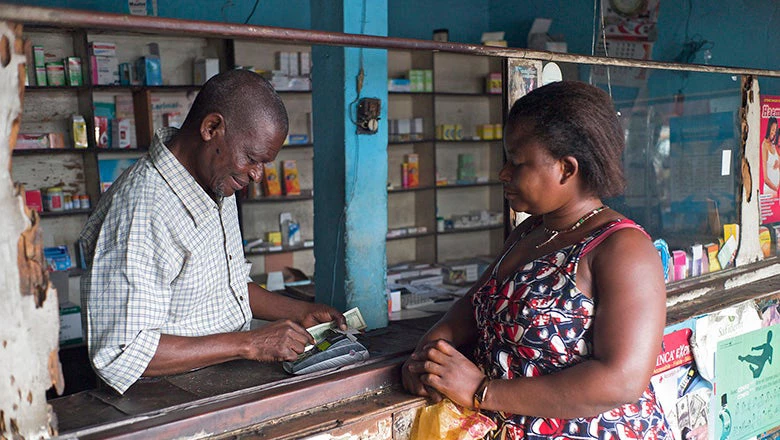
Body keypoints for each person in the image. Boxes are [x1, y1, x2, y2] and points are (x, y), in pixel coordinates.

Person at [402, 81, 671, 439]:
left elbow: (620, 381)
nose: (503, 173)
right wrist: (429, 354)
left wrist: (482, 391)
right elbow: (476, 304)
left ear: (566, 169)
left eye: (517, 162)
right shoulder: (529, 232)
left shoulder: (623, 249)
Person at [80, 69, 344, 394]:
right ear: (211, 128)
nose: (258, 175)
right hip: (160, 404)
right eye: (251, 158)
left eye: (264, 164)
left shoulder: (216, 183)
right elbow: (123, 351)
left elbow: (226, 289)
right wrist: (249, 344)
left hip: (217, 388)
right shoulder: (144, 207)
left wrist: (301, 311)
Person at [762, 117, 779, 196]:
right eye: (772, 130)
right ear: (768, 128)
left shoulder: (773, 145)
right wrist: (776, 189)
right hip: (770, 190)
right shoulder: (764, 146)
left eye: (775, 130)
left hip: (776, 190)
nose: (774, 133)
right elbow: (765, 178)